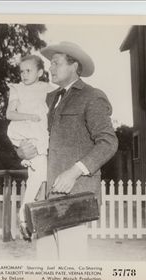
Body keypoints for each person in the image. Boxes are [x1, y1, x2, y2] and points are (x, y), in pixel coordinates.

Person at [17, 41, 118, 260]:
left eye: (56, 63)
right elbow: (37, 138)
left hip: (73, 197)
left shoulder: (92, 96)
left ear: (75, 65)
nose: (50, 68)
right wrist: (23, 151)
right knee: (46, 265)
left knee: (70, 266)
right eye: (49, 63)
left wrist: (74, 171)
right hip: (44, 196)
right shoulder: (47, 99)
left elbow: (108, 142)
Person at [6, 55, 55, 240]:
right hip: (25, 131)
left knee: (38, 177)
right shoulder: (17, 89)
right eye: (21, 71)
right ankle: (25, 217)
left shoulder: (46, 88)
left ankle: (25, 218)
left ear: (40, 72)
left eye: (29, 71)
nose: (24, 75)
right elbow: (9, 114)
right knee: (38, 176)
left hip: (40, 134)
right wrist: (29, 116)